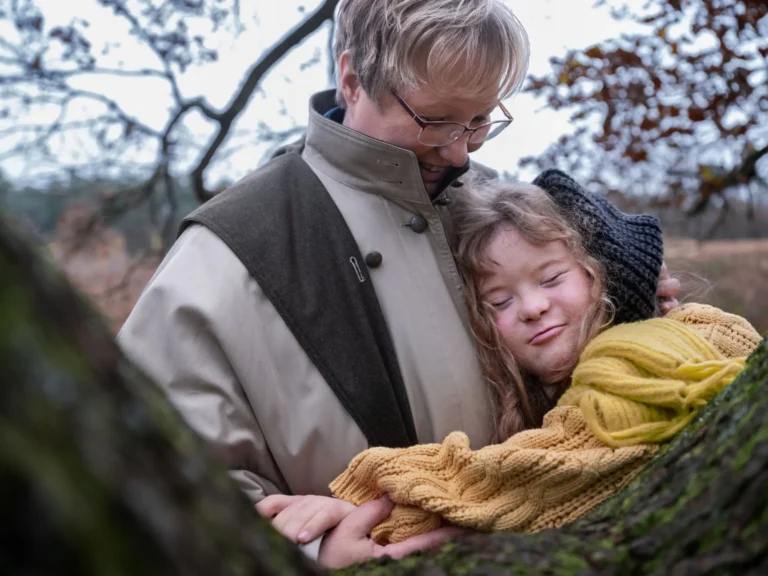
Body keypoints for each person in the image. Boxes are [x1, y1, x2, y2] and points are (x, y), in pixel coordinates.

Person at [117, 0, 679, 569]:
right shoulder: (228, 253)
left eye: (480, 120)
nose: (460, 150)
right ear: (352, 80)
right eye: (434, 121)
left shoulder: (499, 212)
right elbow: (141, 481)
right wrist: (312, 552)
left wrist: (635, 312)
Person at [323, 172, 763, 544]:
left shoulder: (642, 355)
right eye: (499, 301)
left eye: (551, 278)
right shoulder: (550, 395)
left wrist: (356, 506)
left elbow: (514, 482)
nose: (532, 307)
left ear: (600, 274)